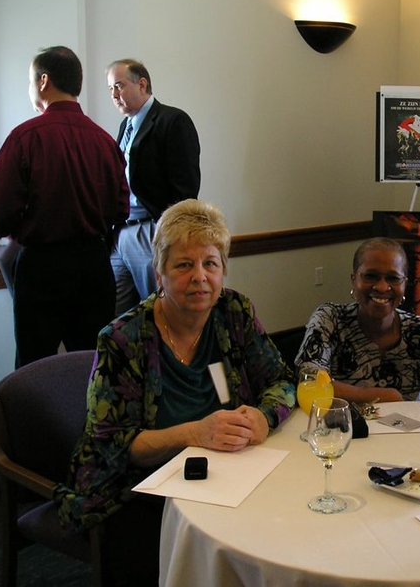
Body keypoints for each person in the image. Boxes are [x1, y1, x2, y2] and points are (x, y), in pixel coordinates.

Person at [55, 199, 295, 585]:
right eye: (184, 264)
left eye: (210, 263)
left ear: (223, 271)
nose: (199, 276)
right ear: (159, 274)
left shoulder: (235, 313)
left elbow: (282, 381)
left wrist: (264, 416)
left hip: (226, 474)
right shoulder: (123, 339)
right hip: (135, 491)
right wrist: (193, 433)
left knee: (281, 525)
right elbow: (113, 446)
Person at [0, 46, 129, 368]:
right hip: (94, 266)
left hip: (42, 266)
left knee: (34, 364)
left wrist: (20, 227)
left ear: (43, 81)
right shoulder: (105, 142)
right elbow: (121, 209)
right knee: (93, 367)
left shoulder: (25, 137)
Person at [296, 237, 420, 405]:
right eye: (370, 276)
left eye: (393, 278)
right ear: (354, 280)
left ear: (405, 284)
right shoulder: (330, 319)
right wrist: (383, 396)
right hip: (341, 429)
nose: (382, 287)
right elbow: (308, 381)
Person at [106, 58, 201, 315]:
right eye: (110, 89)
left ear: (142, 84)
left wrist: (165, 235)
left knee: (159, 313)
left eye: (119, 86)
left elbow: (186, 189)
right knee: (117, 320)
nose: (114, 95)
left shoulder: (172, 120)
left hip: (150, 232)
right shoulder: (125, 126)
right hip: (120, 233)